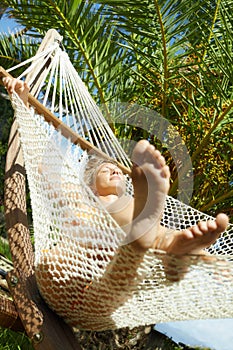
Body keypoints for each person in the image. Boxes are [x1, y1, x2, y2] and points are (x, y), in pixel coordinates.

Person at [3, 77, 229, 258]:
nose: (115, 170)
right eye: (106, 170)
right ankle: (153, 231)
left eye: (119, 171)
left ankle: (190, 251)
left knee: (146, 222)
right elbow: (42, 164)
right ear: (90, 186)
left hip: (125, 270)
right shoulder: (79, 200)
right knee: (132, 214)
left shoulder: (130, 202)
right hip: (80, 266)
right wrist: (21, 103)